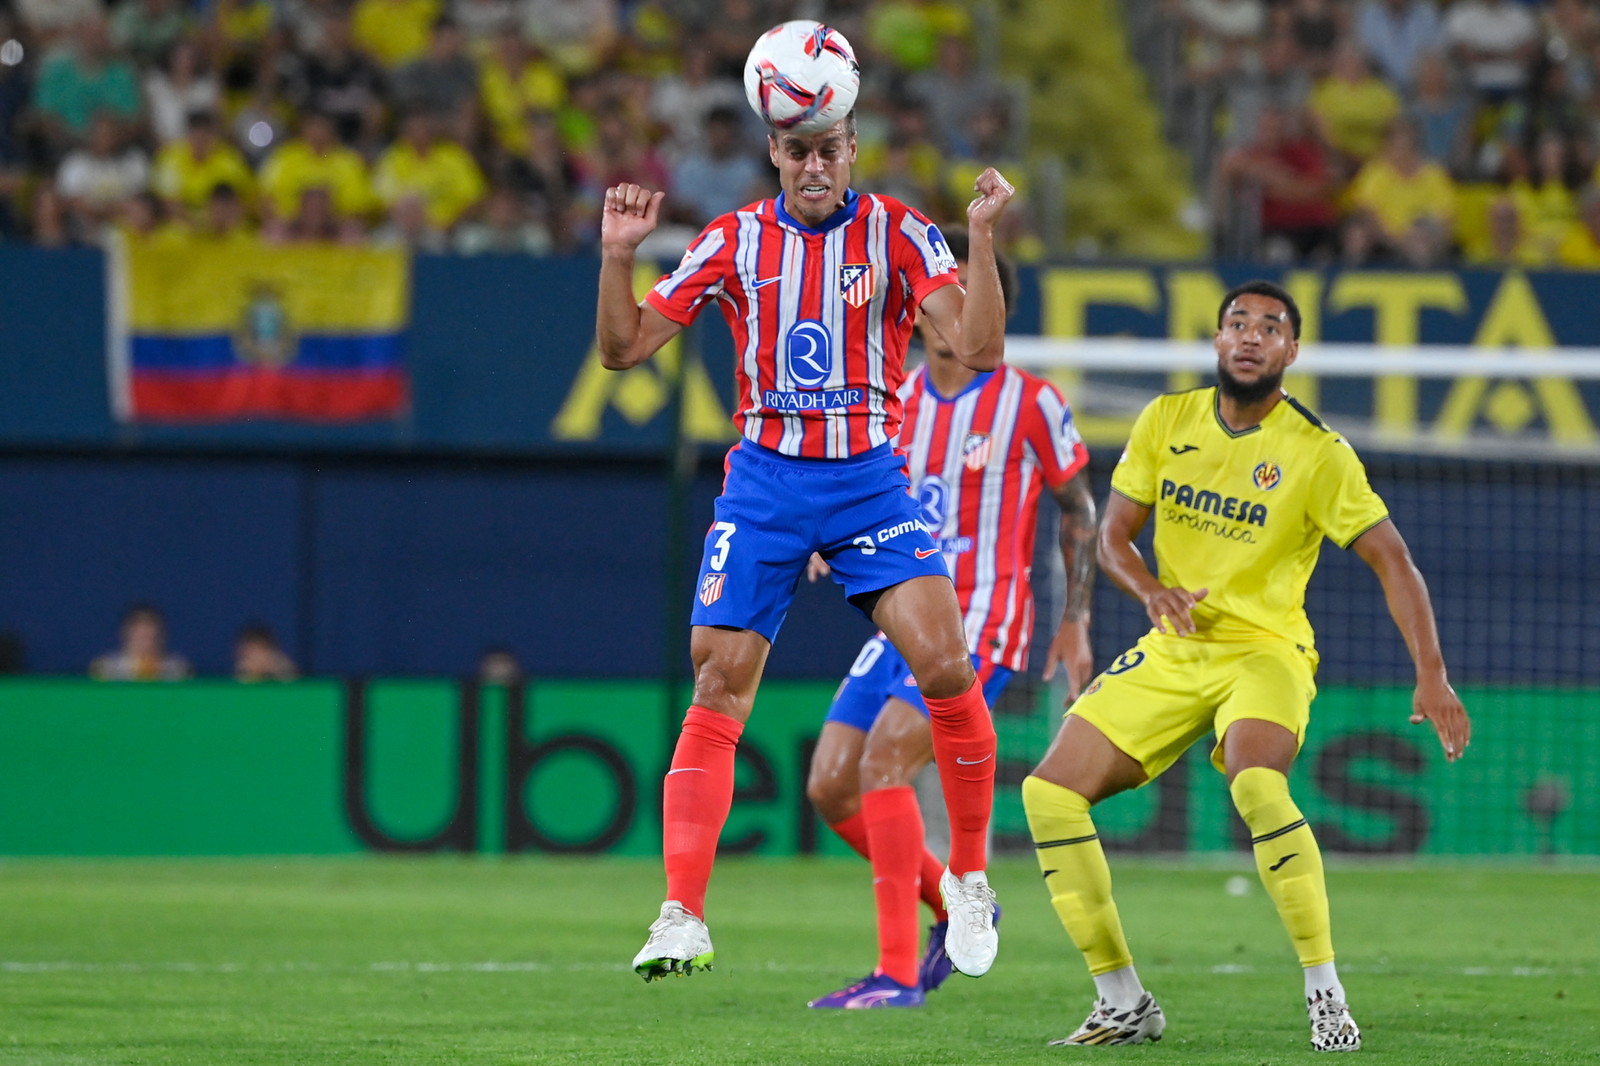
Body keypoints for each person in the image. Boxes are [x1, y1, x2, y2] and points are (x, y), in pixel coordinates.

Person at [599, 108, 1016, 984]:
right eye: (798, 151)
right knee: (716, 683)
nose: (815, 165)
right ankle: (682, 912)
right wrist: (616, 255)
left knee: (945, 665)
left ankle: (970, 878)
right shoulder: (730, 240)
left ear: (852, 150)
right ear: (776, 156)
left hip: (867, 479)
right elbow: (624, 347)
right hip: (765, 487)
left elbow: (978, 349)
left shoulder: (901, 232)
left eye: (830, 149)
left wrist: (977, 236)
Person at [1019, 280, 1471, 1050]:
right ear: (1218, 340)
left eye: (1271, 327)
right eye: (1238, 323)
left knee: (1258, 783)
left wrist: (1431, 672)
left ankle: (1324, 989)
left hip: (1266, 652)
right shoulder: (1169, 418)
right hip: (1175, 647)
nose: (1252, 336)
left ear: (1292, 351)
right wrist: (1152, 590)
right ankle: (1121, 999)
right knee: (1049, 795)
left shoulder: (1318, 452)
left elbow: (1393, 560)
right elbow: (1112, 535)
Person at [802, 229, 1097, 1009]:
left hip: (985, 621)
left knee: (884, 765)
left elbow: (1080, 511)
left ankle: (897, 974)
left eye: (965, 291)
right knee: (831, 786)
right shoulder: (888, 396)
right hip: (900, 618)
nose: (943, 302)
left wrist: (1077, 620)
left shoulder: (1032, 402)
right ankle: (963, 903)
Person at [91, 604, 192, 681]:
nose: (145, 639)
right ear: (125, 633)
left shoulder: (179, 669)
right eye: (140, 634)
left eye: (149, 634)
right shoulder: (105, 668)